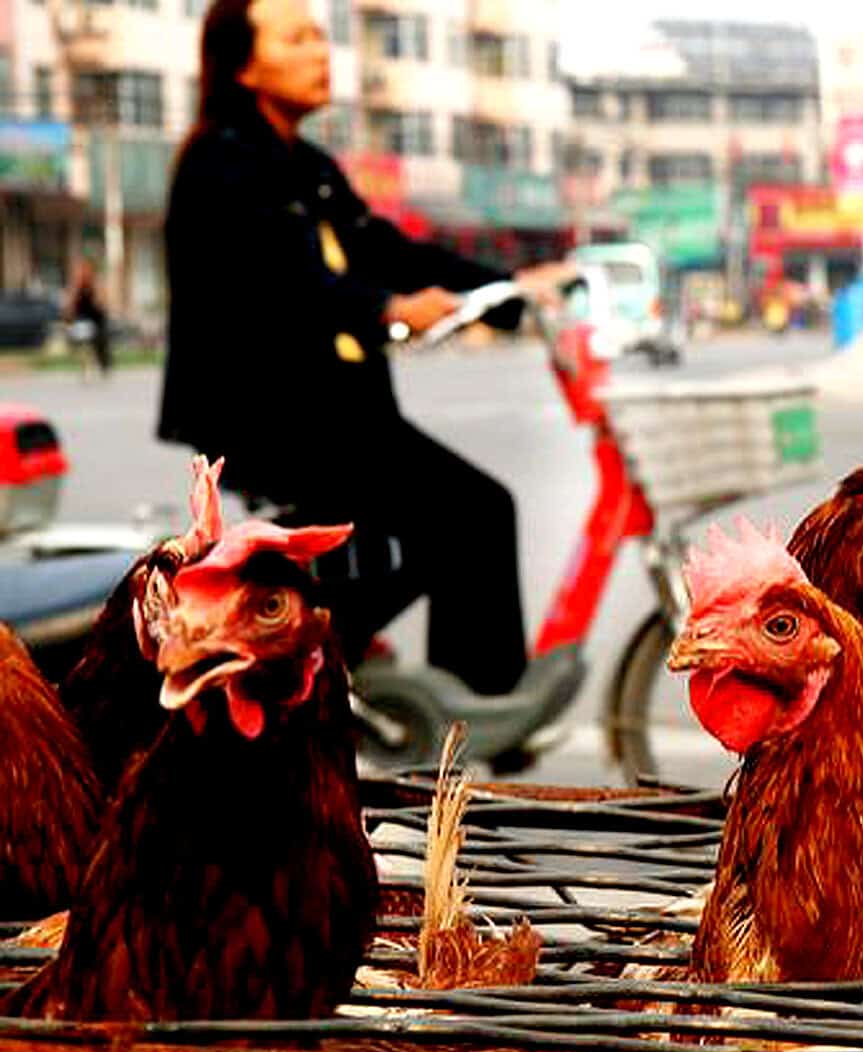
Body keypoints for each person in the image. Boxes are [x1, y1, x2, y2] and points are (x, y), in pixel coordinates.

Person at [156, 0, 563, 696]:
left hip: (344, 414)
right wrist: (386, 309)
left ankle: (466, 710)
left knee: (472, 515)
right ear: (246, 65)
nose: (321, 51)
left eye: (320, 35)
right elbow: (281, 281)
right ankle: (279, 660)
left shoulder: (306, 164)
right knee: (464, 520)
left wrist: (511, 286)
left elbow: (390, 250)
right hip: (273, 419)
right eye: (298, 37)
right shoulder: (219, 162)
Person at [65, 260, 112, 382]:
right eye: (80, 270)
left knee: (100, 342)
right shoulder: (76, 286)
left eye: (85, 270)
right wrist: (69, 318)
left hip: (97, 318)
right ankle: (85, 368)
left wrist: (97, 293)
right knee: (83, 344)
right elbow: (70, 305)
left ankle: (104, 364)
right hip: (82, 319)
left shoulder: (96, 283)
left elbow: (102, 303)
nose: (82, 273)